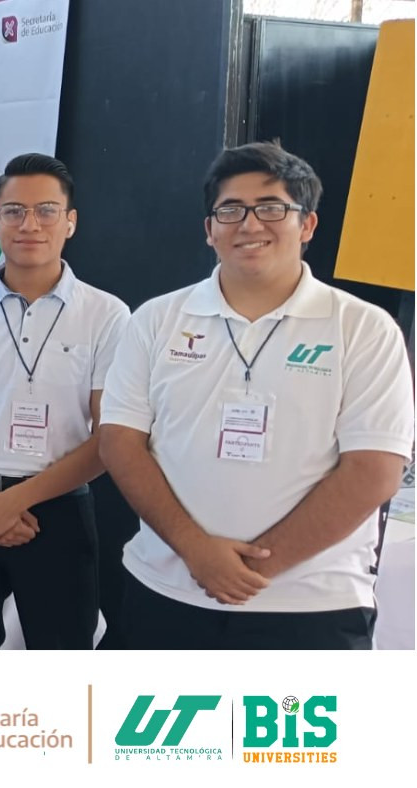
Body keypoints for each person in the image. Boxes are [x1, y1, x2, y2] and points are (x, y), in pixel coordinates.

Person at [98, 141, 413, 649]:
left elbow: (374, 470)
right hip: (166, 590)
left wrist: (250, 570)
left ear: (307, 224)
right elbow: (119, 441)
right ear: (210, 229)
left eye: (271, 208)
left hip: (310, 605)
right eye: (231, 210)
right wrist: (195, 551)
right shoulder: (156, 319)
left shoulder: (363, 328)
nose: (249, 224)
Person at [0, 153, 130, 649]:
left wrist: (15, 502)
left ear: (70, 222)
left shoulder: (107, 315)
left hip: (59, 510)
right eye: (13, 211)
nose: (29, 224)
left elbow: (109, 437)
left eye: (46, 211)